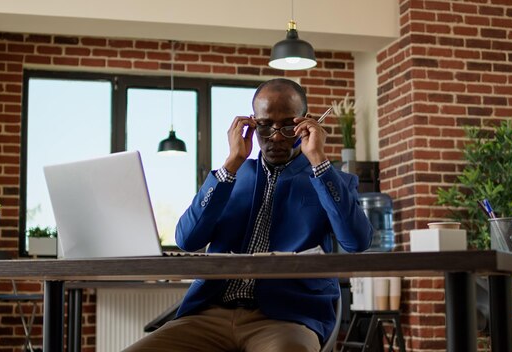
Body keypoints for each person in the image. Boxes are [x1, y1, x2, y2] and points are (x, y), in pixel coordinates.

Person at [124, 78, 372, 352]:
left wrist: (319, 161)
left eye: (288, 124)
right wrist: (231, 163)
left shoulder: (330, 179)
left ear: (305, 122)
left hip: (288, 317)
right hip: (210, 313)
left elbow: (357, 242)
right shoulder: (230, 176)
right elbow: (187, 239)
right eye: (265, 125)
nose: (276, 136)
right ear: (253, 124)